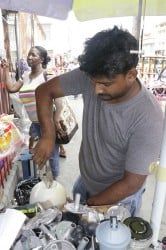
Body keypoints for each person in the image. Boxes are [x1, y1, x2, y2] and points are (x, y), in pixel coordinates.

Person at [32, 26, 163, 216]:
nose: (96, 90)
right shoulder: (93, 75)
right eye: (94, 82)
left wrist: (86, 205)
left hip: (118, 200)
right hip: (85, 181)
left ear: (131, 75)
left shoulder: (148, 117)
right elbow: (44, 91)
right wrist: (48, 135)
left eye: (106, 84)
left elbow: (131, 183)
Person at [2, 46, 65, 179]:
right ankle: (45, 181)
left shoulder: (47, 75)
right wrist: (6, 69)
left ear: (41, 59)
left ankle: (55, 185)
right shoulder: (25, 76)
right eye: (28, 54)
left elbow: (59, 98)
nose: (29, 57)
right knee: (39, 152)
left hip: (48, 124)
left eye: (33, 55)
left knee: (52, 155)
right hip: (35, 123)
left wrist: (56, 118)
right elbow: (11, 88)